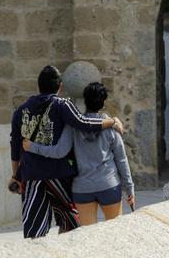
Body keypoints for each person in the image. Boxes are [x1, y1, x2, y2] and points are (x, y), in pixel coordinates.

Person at [9, 66, 123, 238]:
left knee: (34, 233)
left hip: (31, 175)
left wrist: (16, 175)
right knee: (72, 224)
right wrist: (112, 121)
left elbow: (15, 146)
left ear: (38, 85)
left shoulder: (21, 110)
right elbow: (84, 123)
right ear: (59, 86)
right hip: (59, 176)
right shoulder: (62, 105)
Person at [23, 82, 134, 226]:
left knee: (86, 236)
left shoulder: (72, 126)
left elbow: (59, 151)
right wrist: (129, 188)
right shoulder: (112, 126)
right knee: (115, 231)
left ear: (85, 101)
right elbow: (121, 160)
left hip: (82, 188)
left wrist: (33, 147)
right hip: (108, 184)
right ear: (104, 102)